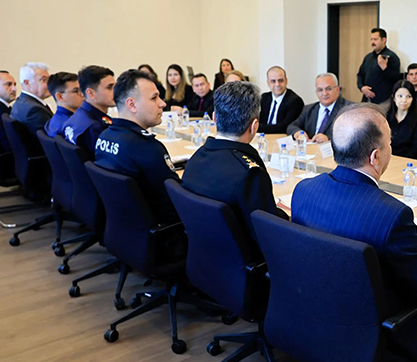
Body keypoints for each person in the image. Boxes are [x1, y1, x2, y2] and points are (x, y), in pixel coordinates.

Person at [291, 103, 417, 362]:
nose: (391, 148)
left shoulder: (304, 191)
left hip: (311, 316)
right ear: (375, 157)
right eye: (389, 143)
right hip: (371, 335)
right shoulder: (392, 215)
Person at [182, 81, 288, 261]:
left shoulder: (196, 158)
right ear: (254, 126)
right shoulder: (249, 174)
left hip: (205, 257)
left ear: (214, 118)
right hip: (245, 264)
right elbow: (267, 233)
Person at [94, 69, 180, 226]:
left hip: (123, 225)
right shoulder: (147, 148)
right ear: (132, 105)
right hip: (162, 229)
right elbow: (175, 198)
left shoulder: (104, 136)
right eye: (154, 98)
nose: (162, 103)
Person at [62, 65, 115, 158]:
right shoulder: (96, 127)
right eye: (109, 87)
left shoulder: (76, 117)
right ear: (91, 93)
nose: (116, 91)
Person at [287, 73, 353, 143]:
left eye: (328, 89)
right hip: (311, 148)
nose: (324, 93)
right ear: (316, 92)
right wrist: (297, 132)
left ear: (337, 89)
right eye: (320, 90)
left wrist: (329, 139)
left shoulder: (349, 109)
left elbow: (353, 135)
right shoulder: (309, 109)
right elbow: (291, 126)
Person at [356, 28, 401, 109]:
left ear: (384, 40)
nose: (372, 42)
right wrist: (362, 87)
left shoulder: (392, 57)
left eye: (375, 39)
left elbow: (396, 79)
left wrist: (384, 68)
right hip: (367, 99)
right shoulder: (368, 57)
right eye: (371, 39)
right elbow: (360, 75)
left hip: (383, 101)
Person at [386, 80, 417, 160]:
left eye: (408, 96)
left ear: (413, 99)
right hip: (388, 159)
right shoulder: (387, 117)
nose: (404, 100)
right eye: (400, 96)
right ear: (394, 98)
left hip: (408, 161)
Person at [258, 66, 304, 134]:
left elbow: (284, 127)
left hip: (282, 137)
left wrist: (258, 128)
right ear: (268, 83)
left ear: (286, 81)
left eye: (280, 80)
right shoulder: (264, 98)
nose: (277, 84)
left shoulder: (295, 101)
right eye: (273, 81)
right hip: (263, 137)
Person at [11, 62, 53, 136]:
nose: (49, 84)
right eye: (43, 80)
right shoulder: (35, 110)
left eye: (49, 80)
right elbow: (52, 139)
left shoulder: (20, 102)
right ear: (27, 83)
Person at [44, 72, 84, 137]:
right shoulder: (73, 126)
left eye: (82, 89)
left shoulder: (53, 121)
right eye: (76, 91)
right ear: (60, 97)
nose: (82, 94)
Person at [0, 70, 17, 152]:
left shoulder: (5, 108)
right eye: (8, 84)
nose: (14, 89)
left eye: (14, 84)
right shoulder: (2, 111)